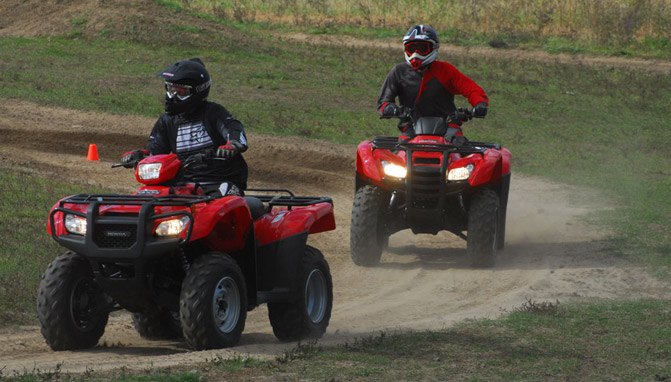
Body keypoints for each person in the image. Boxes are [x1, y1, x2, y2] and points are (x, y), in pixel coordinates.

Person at [121, 58, 248, 196]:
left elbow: (234, 130)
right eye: (170, 89)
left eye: (181, 92)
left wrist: (231, 145)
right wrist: (139, 155)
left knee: (213, 208)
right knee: (148, 199)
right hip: (183, 184)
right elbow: (154, 152)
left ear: (198, 91)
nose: (173, 96)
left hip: (220, 182)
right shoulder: (167, 121)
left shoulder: (213, 113)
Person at [377, 24, 489, 143]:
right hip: (411, 127)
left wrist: (479, 104)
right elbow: (383, 103)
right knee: (398, 152)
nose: (416, 54)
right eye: (412, 49)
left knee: (460, 147)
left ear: (434, 48)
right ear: (405, 50)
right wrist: (393, 109)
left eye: (422, 49)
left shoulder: (445, 70)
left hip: (448, 127)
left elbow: (472, 89)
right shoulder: (399, 71)